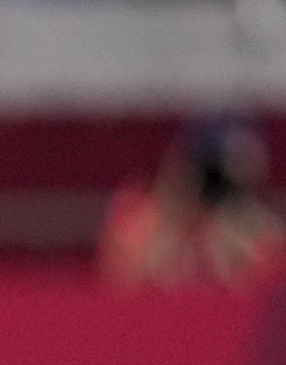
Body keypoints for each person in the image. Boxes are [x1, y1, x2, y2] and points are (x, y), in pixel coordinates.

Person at [101, 119, 285, 290]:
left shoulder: (247, 222)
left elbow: (272, 274)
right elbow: (121, 274)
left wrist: (232, 243)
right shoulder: (153, 217)